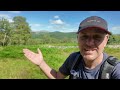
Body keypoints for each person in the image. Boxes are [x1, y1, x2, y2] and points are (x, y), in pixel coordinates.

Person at [23, 16, 120, 79]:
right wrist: (41, 63)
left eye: (97, 37)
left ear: (106, 40)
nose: (90, 43)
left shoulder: (115, 69)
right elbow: (58, 77)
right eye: (84, 36)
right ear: (77, 38)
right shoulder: (73, 59)